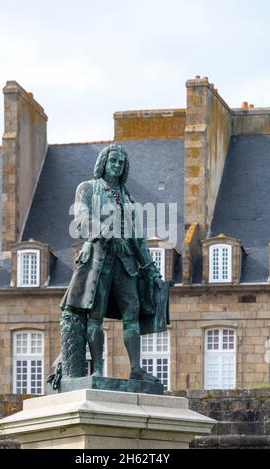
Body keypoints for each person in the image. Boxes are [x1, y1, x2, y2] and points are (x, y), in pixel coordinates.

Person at [59, 143, 168, 383]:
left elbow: (138, 238)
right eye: (113, 161)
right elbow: (81, 220)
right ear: (103, 162)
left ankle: (136, 369)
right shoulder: (87, 188)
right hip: (99, 260)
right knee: (95, 315)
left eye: (121, 162)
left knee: (133, 313)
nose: (117, 166)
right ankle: (97, 369)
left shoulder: (128, 197)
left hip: (126, 263)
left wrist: (151, 271)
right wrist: (109, 233)